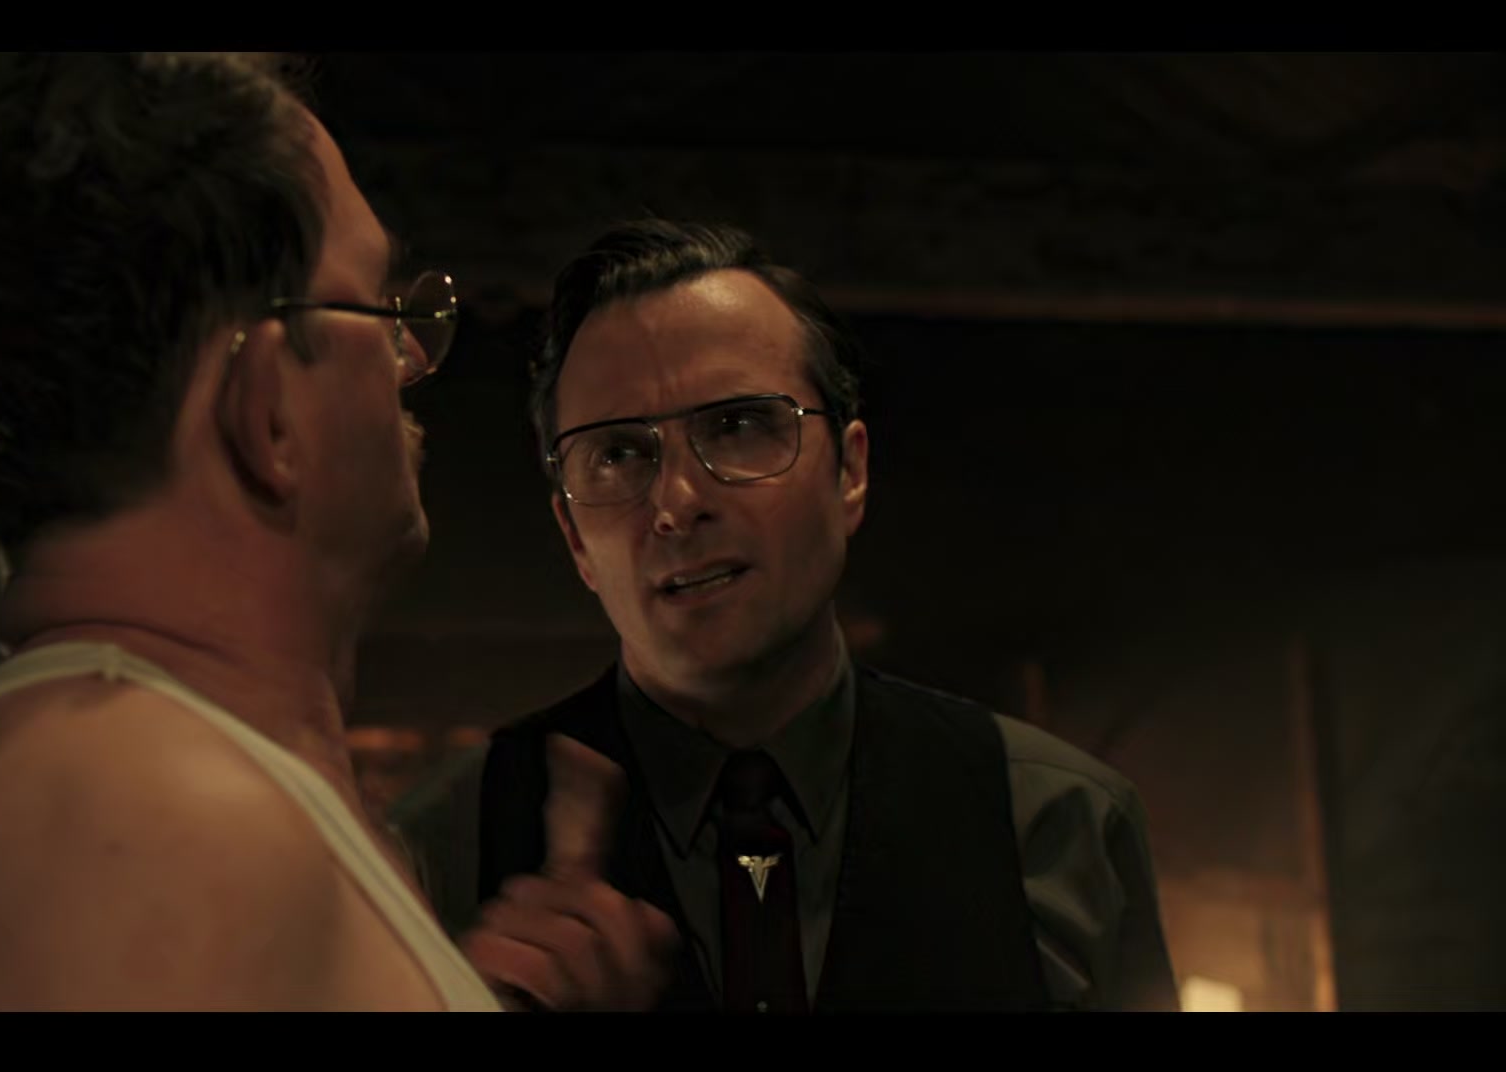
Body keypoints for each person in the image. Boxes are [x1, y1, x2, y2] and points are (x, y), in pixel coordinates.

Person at [0, 53, 670, 1011]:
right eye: (375, 307)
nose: (408, 355)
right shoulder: (152, 818)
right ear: (268, 407)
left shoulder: (142, 788)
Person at [395, 218, 1180, 1012]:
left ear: (850, 471)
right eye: (619, 454)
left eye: (737, 426)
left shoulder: (1057, 825)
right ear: (574, 538)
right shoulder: (438, 848)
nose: (677, 502)